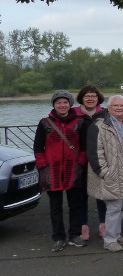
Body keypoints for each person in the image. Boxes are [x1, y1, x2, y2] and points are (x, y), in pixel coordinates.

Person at [87, 95, 123, 252]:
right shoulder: (99, 126)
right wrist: (104, 172)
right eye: (116, 106)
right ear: (108, 108)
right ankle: (109, 240)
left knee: (120, 208)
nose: (119, 108)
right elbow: (95, 152)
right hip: (111, 174)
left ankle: (116, 234)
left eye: (122, 105)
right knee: (113, 208)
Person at [34, 90, 89, 251]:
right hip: (53, 170)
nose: (62, 105)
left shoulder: (80, 122)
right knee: (55, 206)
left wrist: (81, 162)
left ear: (70, 104)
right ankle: (58, 237)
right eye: (58, 102)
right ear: (54, 105)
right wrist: (42, 165)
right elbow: (38, 146)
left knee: (75, 204)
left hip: (74, 169)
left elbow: (84, 145)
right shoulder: (45, 123)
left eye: (65, 102)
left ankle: (74, 235)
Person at [73, 85, 105, 240]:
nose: (90, 98)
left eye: (93, 95)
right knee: (81, 195)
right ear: (82, 98)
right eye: (87, 96)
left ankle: (103, 224)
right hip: (79, 160)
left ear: (98, 98)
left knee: (101, 193)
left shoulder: (105, 114)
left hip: (100, 159)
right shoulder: (73, 114)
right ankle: (83, 226)